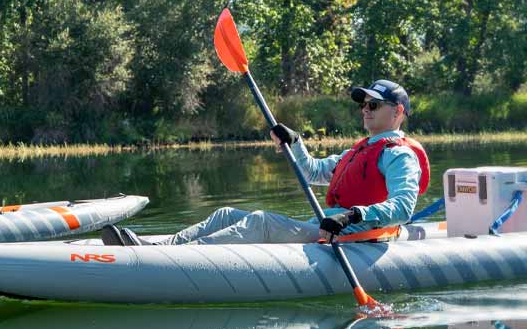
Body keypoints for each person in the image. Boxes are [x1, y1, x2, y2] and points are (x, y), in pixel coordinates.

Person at [103, 77, 429, 246]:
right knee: (226, 213)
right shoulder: (359, 150)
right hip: (330, 228)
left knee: (261, 221)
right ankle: (157, 246)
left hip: (360, 237)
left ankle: (170, 259)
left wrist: (353, 215)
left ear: (397, 112)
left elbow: (402, 208)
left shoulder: (398, 154)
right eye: (364, 105)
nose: (365, 110)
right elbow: (313, 171)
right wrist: (295, 142)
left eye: (374, 105)